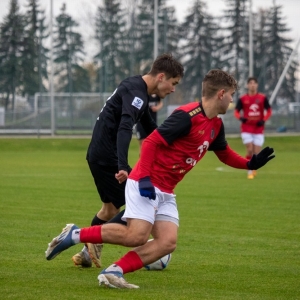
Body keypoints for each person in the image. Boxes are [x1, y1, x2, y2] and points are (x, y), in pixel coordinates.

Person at [46, 69, 275, 289]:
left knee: (167, 242)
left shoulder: (216, 124)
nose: (233, 100)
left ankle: (113, 271)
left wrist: (249, 163)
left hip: (166, 190)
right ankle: (75, 234)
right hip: (146, 183)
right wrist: (144, 177)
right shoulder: (187, 116)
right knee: (137, 235)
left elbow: (224, 153)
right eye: (232, 95)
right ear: (221, 94)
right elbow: (152, 141)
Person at [71, 53, 184, 269]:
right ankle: (85, 240)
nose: (173, 89)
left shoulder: (138, 89)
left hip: (100, 154)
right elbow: (125, 127)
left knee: (110, 210)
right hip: (106, 156)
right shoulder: (136, 93)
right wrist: (122, 165)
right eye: (173, 83)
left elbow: (152, 129)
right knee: (142, 199)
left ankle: (87, 252)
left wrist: (175, 145)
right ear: (161, 77)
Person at [234, 77, 272, 179]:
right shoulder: (243, 99)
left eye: (254, 83)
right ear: (247, 85)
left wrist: (263, 120)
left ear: (257, 85)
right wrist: (241, 118)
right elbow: (236, 111)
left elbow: (269, 111)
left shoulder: (262, 98)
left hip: (258, 129)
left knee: (256, 152)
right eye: (250, 83)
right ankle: (249, 171)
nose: (252, 85)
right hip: (246, 128)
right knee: (250, 150)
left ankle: (254, 168)